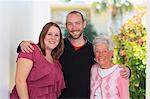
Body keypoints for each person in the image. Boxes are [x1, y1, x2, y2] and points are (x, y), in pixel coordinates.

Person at [17, 11, 130, 98]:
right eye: (70, 24)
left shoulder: (92, 50)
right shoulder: (59, 47)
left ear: (84, 24)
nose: (74, 27)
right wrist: (22, 44)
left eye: (77, 23)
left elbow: (107, 65)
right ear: (66, 26)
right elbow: (41, 52)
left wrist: (127, 71)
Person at [10, 22, 65, 99]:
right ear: (43, 35)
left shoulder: (56, 61)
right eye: (49, 34)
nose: (53, 38)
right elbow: (19, 80)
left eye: (56, 35)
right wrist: (22, 43)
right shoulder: (31, 49)